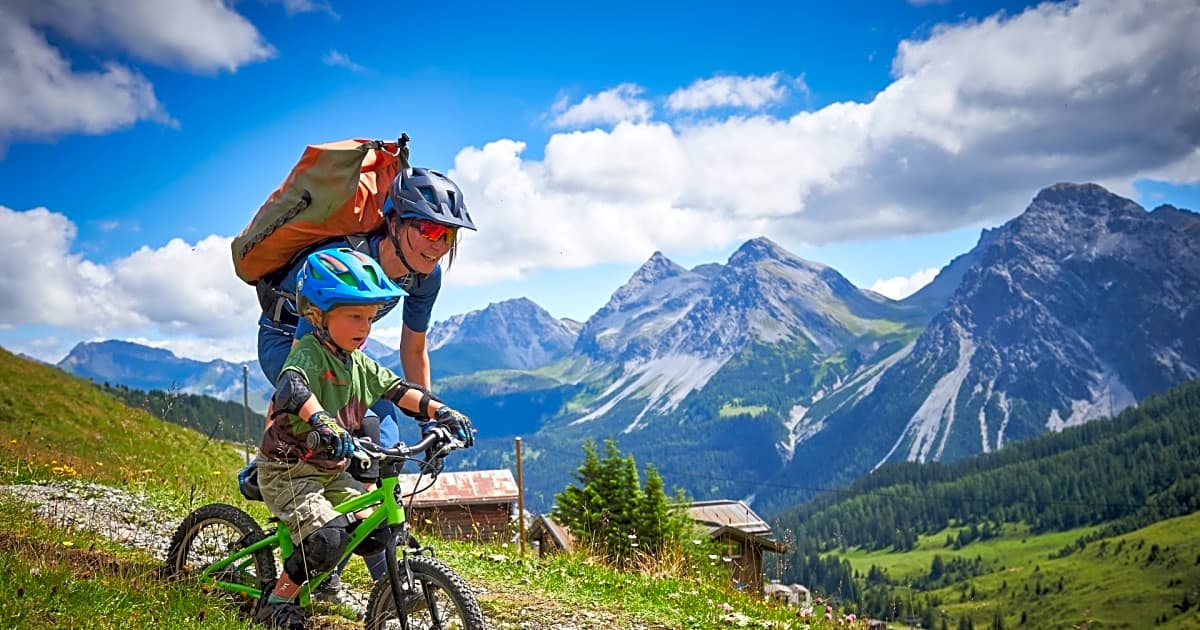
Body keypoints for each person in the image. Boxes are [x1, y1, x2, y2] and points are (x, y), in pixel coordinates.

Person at [254, 167, 477, 609]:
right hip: (292, 337)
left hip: (346, 347)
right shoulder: (344, 260)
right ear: (393, 222)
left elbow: (413, 350)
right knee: (349, 427)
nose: (438, 242)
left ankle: (394, 587)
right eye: (428, 227)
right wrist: (294, 428)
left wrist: (430, 418)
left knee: (383, 449)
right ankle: (284, 495)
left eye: (448, 235)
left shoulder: (424, 277)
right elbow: (302, 372)